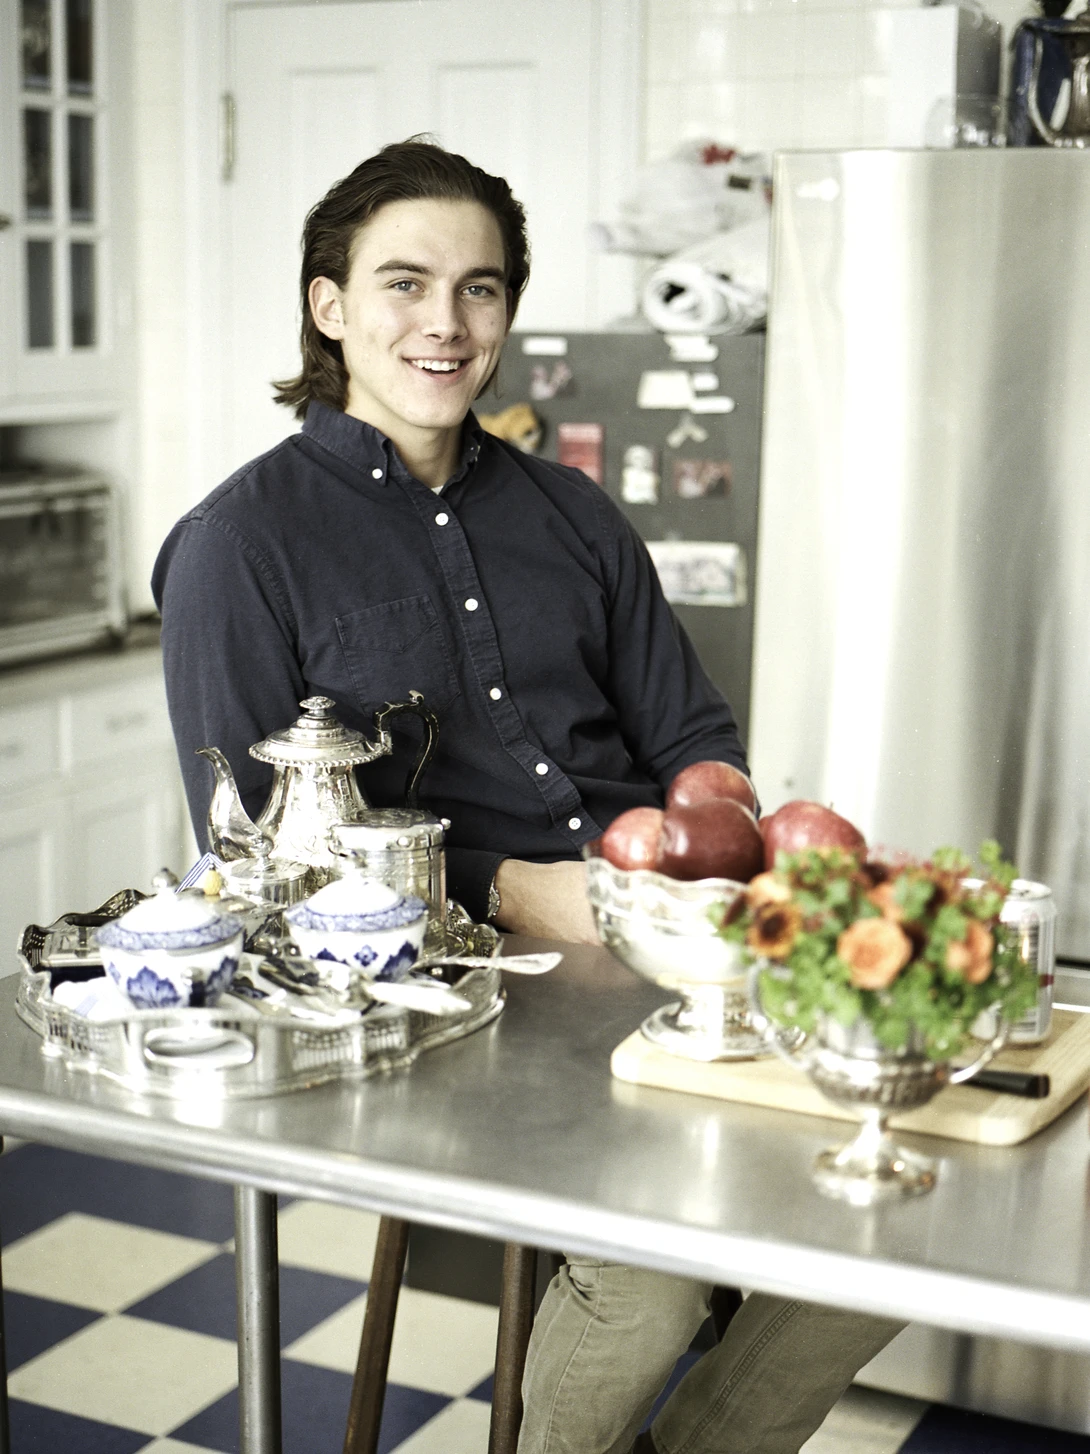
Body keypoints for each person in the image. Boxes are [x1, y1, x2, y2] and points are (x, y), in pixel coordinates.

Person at [153, 139, 901, 1454]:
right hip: (447, 1000)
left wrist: (727, 831)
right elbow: (252, 864)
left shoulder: (576, 513)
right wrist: (507, 890)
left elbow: (693, 737)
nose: (444, 322)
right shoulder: (238, 547)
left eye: (480, 287)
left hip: (666, 950)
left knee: (892, 1191)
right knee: (653, 1274)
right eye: (404, 283)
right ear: (329, 307)